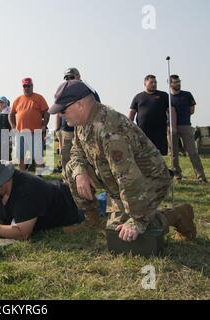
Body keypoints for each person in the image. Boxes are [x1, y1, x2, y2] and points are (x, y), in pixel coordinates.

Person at [49, 80, 196, 242]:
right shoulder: (82, 122)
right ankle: (92, 220)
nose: (61, 115)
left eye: (63, 110)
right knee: (72, 168)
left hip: (147, 182)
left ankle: (178, 215)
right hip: (117, 183)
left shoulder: (109, 129)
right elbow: (77, 150)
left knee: (124, 234)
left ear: (80, 105)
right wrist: (80, 172)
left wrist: (137, 221)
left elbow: (128, 176)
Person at [0, 160, 81, 240]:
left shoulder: (27, 190)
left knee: (98, 204)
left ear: (3, 181)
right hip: (51, 190)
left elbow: (22, 233)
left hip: (72, 204)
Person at [56, 68, 101, 172]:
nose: (69, 80)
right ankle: (67, 183)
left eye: (71, 77)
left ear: (78, 76)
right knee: (65, 157)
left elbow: (96, 108)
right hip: (66, 131)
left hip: (83, 130)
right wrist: (57, 129)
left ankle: (87, 184)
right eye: (66, 78)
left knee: (84, 158)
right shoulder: (63, 91)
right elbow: (58, 111)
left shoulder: (88, 90)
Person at [169, 75, 207, 183]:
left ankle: (201, 177)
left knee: (192, 152)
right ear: (170, 84)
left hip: (185, 125)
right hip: (171, 127)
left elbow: (192, 110)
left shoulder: (187, 95)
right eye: (175, 82)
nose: (178, 84)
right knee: (173, 153)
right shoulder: (167, 97)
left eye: (179, 81)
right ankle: (177, 175)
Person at [129, 75, 177, 156]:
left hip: (160, 131)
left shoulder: (163, 95)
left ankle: (161, 168)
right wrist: (130, 127)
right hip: (143, 132)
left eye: (155, 82)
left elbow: (172, 111)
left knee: (160, 154)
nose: (154, 84)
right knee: (144, 153)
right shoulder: (138, 97)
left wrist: (173, 126)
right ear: (145, 83)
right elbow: (131, 113)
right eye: (151, 82)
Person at [9, 78, 50, 171]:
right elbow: (11, 114)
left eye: (28, 86)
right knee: (20, 155)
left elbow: (46, 112)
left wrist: (44, 125)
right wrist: (13, 126)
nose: (26, 88)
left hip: (35, 132)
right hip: (20, 132)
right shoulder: (18, 99)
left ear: (32, 86)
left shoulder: (39, 98)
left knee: (37, 155)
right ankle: (22, 174)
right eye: (24, 86)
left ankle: (39, 176)